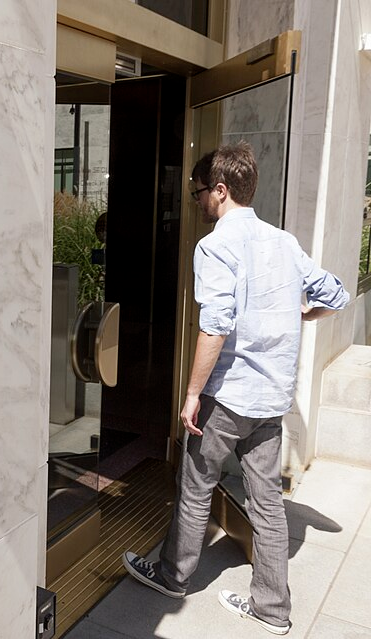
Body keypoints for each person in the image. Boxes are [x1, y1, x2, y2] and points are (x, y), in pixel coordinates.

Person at [120, 141, 350, 635]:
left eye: (199, 191)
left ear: (220, 191)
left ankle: (172, 576)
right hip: (270, 398)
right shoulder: (284, 242)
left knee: (195, 487)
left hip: (227, 397)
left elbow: (216, 326)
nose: (197, 200)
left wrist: (191, 394)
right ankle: (272, 610)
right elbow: (337, 294)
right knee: (267, 504)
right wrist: (299, 312)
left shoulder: (216, 245)